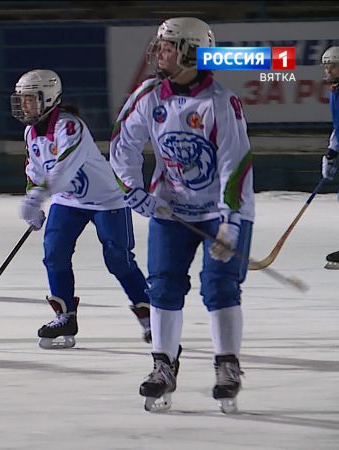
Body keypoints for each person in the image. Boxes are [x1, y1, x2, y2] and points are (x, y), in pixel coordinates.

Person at [109, 17, 254, 414]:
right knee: (163, 286)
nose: (159, 53)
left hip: (220, 212)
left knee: (220, 286)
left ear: (191, 51)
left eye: (168, 46)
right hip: (170, 211)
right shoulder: (149, 95)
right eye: (159, 45)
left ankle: (227, 366)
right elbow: (122, 145)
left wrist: (230, 221)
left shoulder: (220, 103)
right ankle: (163, 364)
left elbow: (234, 166)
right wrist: (133, 191)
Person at [12, 69, 153, 350]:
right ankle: (65, 316)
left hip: (107, 200)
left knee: (118, 258)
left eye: (30, 98)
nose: (24, 104)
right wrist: (32, 195)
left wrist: (37, 197)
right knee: (54, 254)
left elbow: (64, 168)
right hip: (68, 201)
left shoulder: (69, 127)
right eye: (22, 99)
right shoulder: (31, 133)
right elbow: (34, 170)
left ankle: (151, 317)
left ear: (48, 98)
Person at [320, 46, 338, 270]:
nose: (327, 69)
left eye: (332, 65)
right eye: (325, 65)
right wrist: (331, 149)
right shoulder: (335, 90)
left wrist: (333, 152)